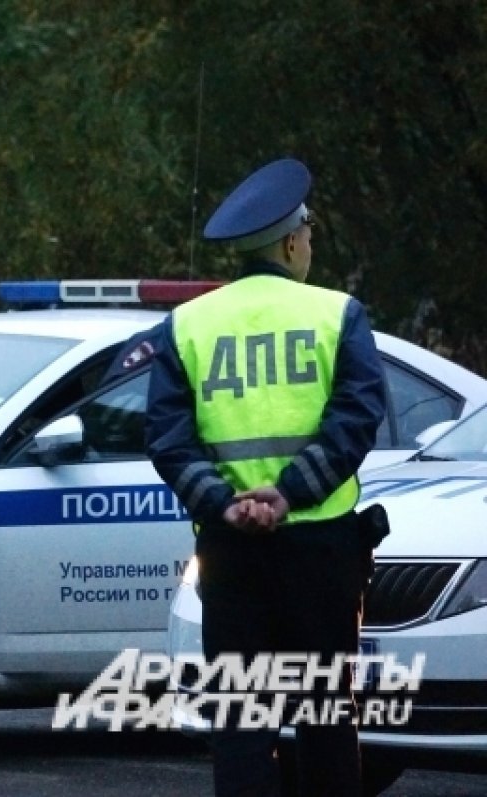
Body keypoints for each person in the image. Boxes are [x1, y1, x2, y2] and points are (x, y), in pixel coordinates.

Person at [144, 158, 387, 796]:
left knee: (243, 723)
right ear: (288, 242)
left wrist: (226, 505)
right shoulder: (338, 314)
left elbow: (168, 438)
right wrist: (289, 493)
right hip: (321, 548)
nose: (311, 240)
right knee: (326, 720)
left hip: (231, 553)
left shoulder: (189, 324)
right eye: (308, 229)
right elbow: (357, 417)